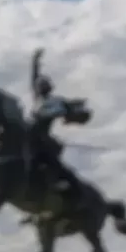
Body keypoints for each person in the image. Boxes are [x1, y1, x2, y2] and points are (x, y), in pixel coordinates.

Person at [27, 49, 82, 202]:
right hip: (30, 134)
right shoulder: (38, 99)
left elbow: (69, 108)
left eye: (43, 86)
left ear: (48, 88)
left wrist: (76, 107)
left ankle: (58, 182)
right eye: (39, 86)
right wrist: (35, 62)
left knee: (49, 159)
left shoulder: (56, 101)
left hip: (43, 137)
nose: (40, 88)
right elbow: (34, 77)